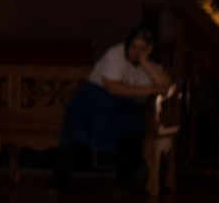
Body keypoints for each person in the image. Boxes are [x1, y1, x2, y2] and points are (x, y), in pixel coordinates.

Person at [52, 24, 170, 189]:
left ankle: (123, 184)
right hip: (93, 102)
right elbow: (113, 88)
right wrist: (153, 89)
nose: (136, 52)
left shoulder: (148, 64)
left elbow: (164, 85)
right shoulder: (115, 54)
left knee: (133, 130)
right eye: (134, 47)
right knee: (78, 136)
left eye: (143, 48)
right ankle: (57, 184)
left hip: (123, 106)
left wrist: (144, 61)